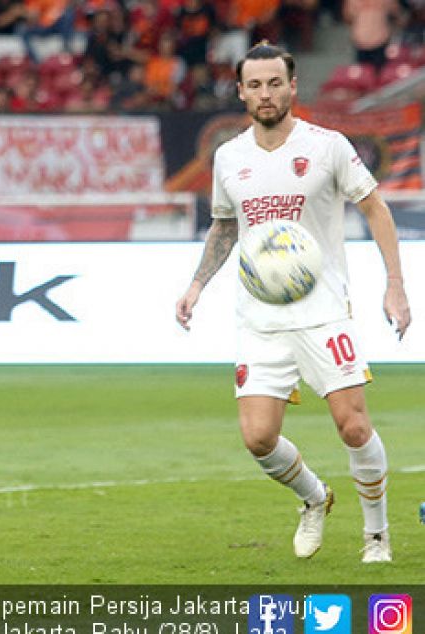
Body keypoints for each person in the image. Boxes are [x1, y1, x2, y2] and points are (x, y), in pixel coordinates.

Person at [175, 42, 411, 564]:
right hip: (260, 317)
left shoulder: (327, 145)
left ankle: (376, 534)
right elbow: (225, 225)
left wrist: (394, 283)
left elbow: (374, 207)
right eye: (254, 85)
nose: (265, 93)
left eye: (274, 83)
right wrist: (196, 285)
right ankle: (314, 497)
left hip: (324, 310)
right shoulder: (229, 157)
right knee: (258, 438)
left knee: (352, 424)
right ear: (240, 91)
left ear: (292, 86)